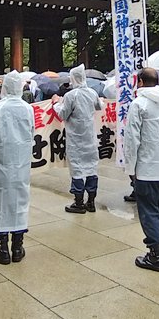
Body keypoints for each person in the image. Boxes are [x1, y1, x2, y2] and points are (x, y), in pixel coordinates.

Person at [124, 67, 159, 272]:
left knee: (149, 211)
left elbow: (132, 139)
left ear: (140, 81)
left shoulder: (138, 104)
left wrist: (130, 167)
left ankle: (155, 255)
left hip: (147, 168)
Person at [0, 71, 35, 265]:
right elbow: (31, 133)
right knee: (20, 201)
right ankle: (18, 247)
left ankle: (2, 249)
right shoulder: (28, 109)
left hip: (1, 161)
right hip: (21, 162)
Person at [52, 64, 103, 214]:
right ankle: (91, 202)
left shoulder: (71, 96)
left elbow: (63, 114)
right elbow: (99, 106)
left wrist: (56, 104)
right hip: (90, 138)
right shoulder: (92, 93)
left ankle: (78, 202)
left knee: (77, 169)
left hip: (75, 139)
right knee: (92, 168)